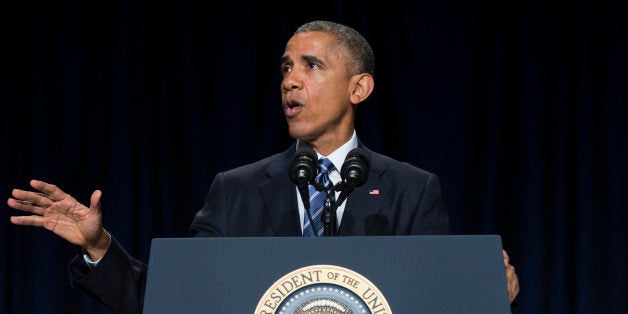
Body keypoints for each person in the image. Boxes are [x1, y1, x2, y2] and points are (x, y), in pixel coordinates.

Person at [7, 20, 519, 313]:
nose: (290, 81)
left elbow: (437, 302)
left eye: (311, 66)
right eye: (285, 68)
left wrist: (491, 294)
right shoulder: (236, 191)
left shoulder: (411, 190)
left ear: (358, 88)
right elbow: (176, 302)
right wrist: (100, 249)